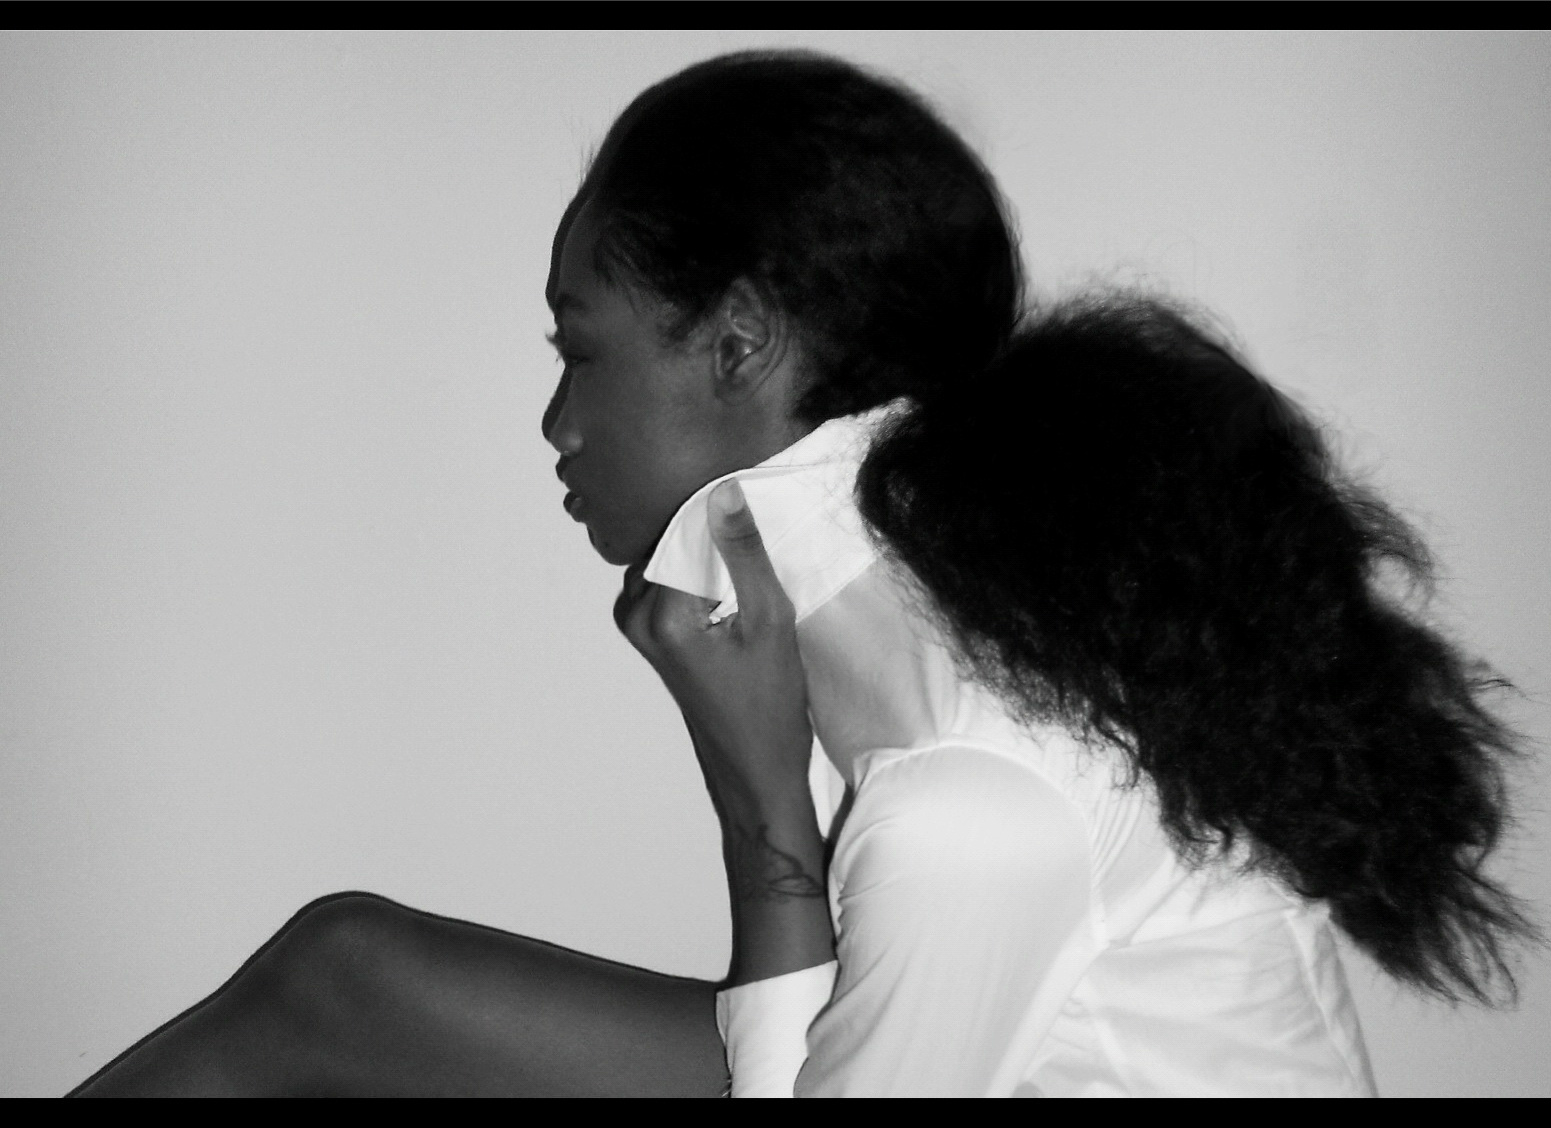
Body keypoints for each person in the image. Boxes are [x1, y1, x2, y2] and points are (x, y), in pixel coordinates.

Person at [71, 49, 1533, 1098]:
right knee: (344, 974)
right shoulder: (936, 623)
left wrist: (763, 807)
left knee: (343, 983)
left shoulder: (972, 792)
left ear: (741, 343)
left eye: (581, 348)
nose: (558, 423)